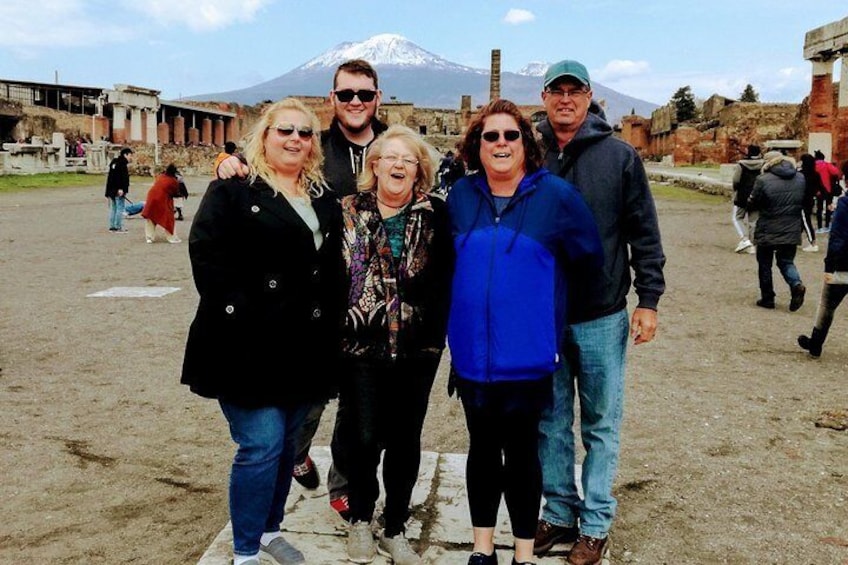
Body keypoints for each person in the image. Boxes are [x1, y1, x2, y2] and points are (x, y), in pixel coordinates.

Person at [217, 58, 388, 521]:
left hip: (374, 297)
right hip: (316, 299)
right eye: (346, 94)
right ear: (332, 100)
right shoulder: (313, 143)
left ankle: (345, 485)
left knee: (356, 404)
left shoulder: (391, 146)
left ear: (377, 98)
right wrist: (227, 159)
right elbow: (264, 171)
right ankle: (295, 454)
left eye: (365, 95)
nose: (356, 102)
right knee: (308, 402)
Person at [180, 97, 343, 565]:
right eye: (284, 130)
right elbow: (206, 256)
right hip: (246, 343)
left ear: (313, 144)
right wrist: (241, 312)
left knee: (287, 445)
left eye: (304, 132)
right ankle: (246, 551)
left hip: (304, 343)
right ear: (264, 136)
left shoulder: (321, 195)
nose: (295, 139)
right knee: (261, 444)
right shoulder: (234, 189)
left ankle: (270, 530)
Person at [447, 99, 603, 565]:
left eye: (510, 135)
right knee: (481, 451)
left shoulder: (555, 196)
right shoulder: (460, 196)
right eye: (489, 136)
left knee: (521, 454)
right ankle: (481, 549)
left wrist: (543, 310)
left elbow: (588, 258)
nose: (500, 143)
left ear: (526, 144)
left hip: (528, 356)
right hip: (473, 356)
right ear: (476, 146)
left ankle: (522, 553)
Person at [534, 59, 666, 565]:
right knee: (549, 420)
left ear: (590, 97)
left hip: (600, 311)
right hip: (542, 313)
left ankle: (595, 523)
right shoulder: (529, 152)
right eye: (557, 91)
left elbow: (643, 231)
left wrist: (649, 300)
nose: (565, 99)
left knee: (601, 423)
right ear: (545, 98)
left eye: (575, 91)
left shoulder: (619, 157)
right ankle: (559, 511)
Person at [341, 125, 453, 565]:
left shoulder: (436, 215)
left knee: (406, 438)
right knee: (364, 436)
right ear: (374, 165)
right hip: (359, 347)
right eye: (390, 157)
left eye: (409, 160)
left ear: (420, 171)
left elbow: (446, 279)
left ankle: (395, 526)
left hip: (416, 349)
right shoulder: (346, 211)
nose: (399, 166)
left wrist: (436, 341)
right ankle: (360, 518)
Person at [746, 150, 807, 311]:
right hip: (792, 226)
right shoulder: (800, 178)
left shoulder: (763, 180)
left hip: (768, 226)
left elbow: (752, 203)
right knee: (786, 261)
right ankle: (796, 284)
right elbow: (805, 201)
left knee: (765, 263)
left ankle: (768, 298)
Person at [798, 193, 848, 358]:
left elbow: (838, 236)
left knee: (827, 304)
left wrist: (829, 265)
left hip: (843, 264)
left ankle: (816, 342)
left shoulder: (845, 203)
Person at [141, 164, 186, 244]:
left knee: (151, 217)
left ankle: (149, 237)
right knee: (169, 218)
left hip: (151, 197)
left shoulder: (161, 177)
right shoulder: (173, 181)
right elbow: (176, 192)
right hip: (162, 199)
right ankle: (171, 237)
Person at [731, 144, 763, 254]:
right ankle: (753, 245)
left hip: (742, 195)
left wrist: (735, 189)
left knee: (737, 217)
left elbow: (736, 180)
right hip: (757, 196)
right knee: (753, 221)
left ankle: (745, 239)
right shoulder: (763, 165)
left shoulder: (741, 164)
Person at [104, 147, 133, 233]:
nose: (131, 157)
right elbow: (121, 178)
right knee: (119, 208)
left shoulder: (114, 162)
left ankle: (112, 226)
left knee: (114, 208)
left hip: (111, 189)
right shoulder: (122, 164)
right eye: (130, 155)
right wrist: (121, 188)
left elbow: (112, 178)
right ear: (125, 154)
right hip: (118, 190)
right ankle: (118, 226)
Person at [813, 150, 842, 234]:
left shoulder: (813, 166)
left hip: (818, 190)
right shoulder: (827, 165)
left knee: (819, 208)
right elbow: (836, 172)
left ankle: (819, 227)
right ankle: (827, 225)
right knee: (828, 207)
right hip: (828, 189)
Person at [799, 153, 821, 252]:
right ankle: (793, 241)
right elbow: (818, 188)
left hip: (802, 200)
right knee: (800, 221)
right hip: (810, 199)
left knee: (805, 221)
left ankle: (812, 242)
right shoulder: (816, 174)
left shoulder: (801, 174)